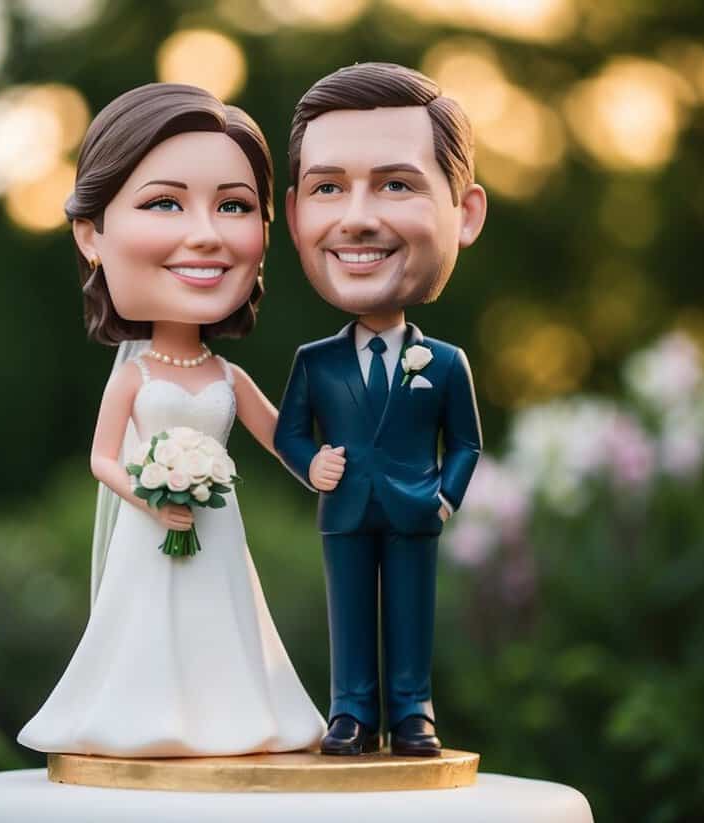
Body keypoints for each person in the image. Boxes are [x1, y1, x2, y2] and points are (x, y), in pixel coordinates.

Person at [18, 83, 324, 757]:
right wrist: (151, 495)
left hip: (217, 530)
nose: (206, 233)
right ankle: (139, 717)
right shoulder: (135, 376)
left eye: (235, 205)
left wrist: (323, 467)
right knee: (148, 626)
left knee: (224, 621)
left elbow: (281, 439)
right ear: (91, 235)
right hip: (150, 531)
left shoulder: (226, 377)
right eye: (165, 202)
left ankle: (233, 717)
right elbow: (102, 459)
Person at [274, 63, 487, 757]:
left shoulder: (448, 363)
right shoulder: (316, 361)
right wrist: (314, 466)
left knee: (410, 611)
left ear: (466, 213)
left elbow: (466, 444)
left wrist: (446, 498)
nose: (357, 216)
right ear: (296, 210)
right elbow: (288, 433)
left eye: (396, 184)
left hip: (414, 508)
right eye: (328, 187)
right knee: (350, 615)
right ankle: (352, 711)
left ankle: (414, 709)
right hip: (343, 510)